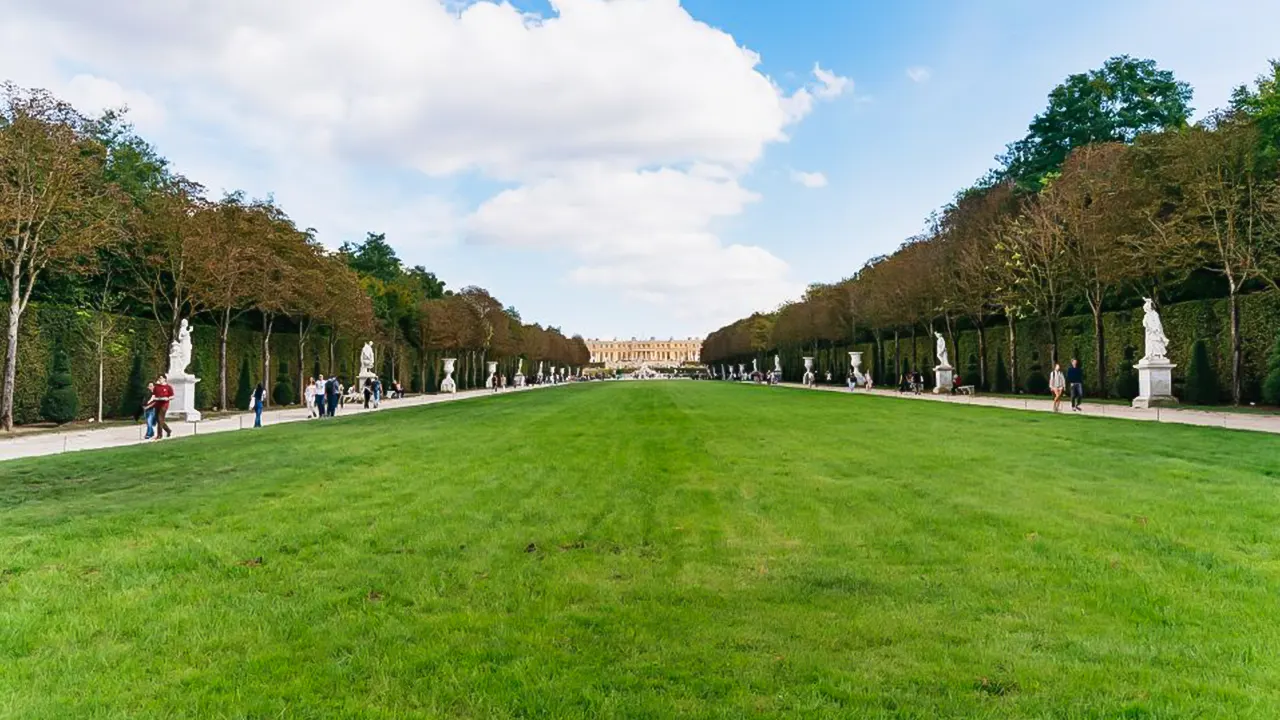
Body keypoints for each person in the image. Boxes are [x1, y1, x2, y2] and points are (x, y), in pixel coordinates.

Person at [152, 374, 174, 440]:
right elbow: (153, 395)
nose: (160, 379)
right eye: (159, 378)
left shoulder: (168, 387)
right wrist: (154, 398)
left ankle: (159, 435)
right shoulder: (156, 387)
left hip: (164, 404)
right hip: (157, 404)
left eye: (161, 378)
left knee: (160, 418)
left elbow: (172, 396)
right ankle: (168, 430)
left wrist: (167, 398)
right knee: (158, 419)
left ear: (164, 379)